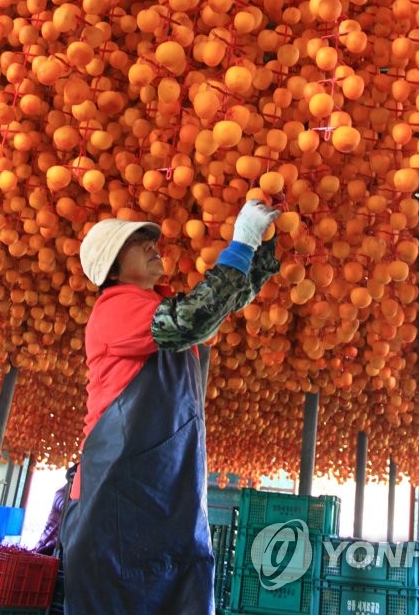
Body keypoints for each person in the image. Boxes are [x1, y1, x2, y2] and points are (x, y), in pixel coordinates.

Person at [60, 199, 280, 615]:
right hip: (114, 505)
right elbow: (195, 317)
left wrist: (262, 251)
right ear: (112, 265)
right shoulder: (116, 308)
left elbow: (219, 306)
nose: (151, 247)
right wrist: (242, 243)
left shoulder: (149, 311)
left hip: (160, 496)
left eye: (148, 241)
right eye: (137, 243)